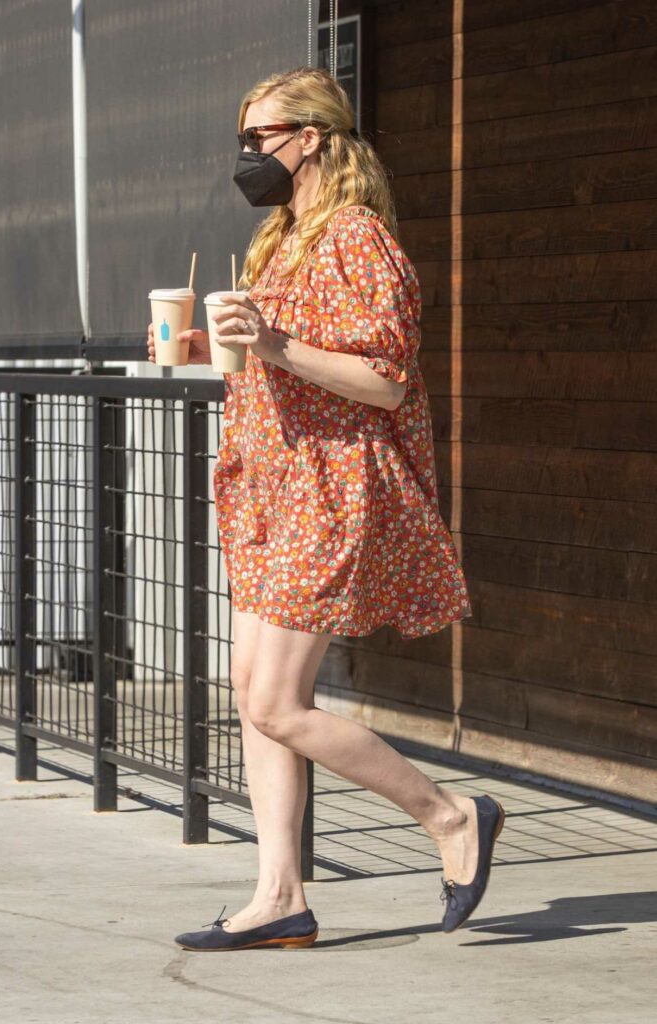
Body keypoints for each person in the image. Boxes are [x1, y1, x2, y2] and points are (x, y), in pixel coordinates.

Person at [146, 67, 505, 952]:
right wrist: (196, 344)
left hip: (330, 489)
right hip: (273, 488)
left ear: (310, 137)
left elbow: (382, 382)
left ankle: (452, 814)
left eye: (260, 138)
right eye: (242, 140)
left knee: (274, 703)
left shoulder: (355, 238)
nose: (247, 156)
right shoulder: (283, 235)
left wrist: (270, 339)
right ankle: (280, 896)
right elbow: (284, 357)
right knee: (253, 691)